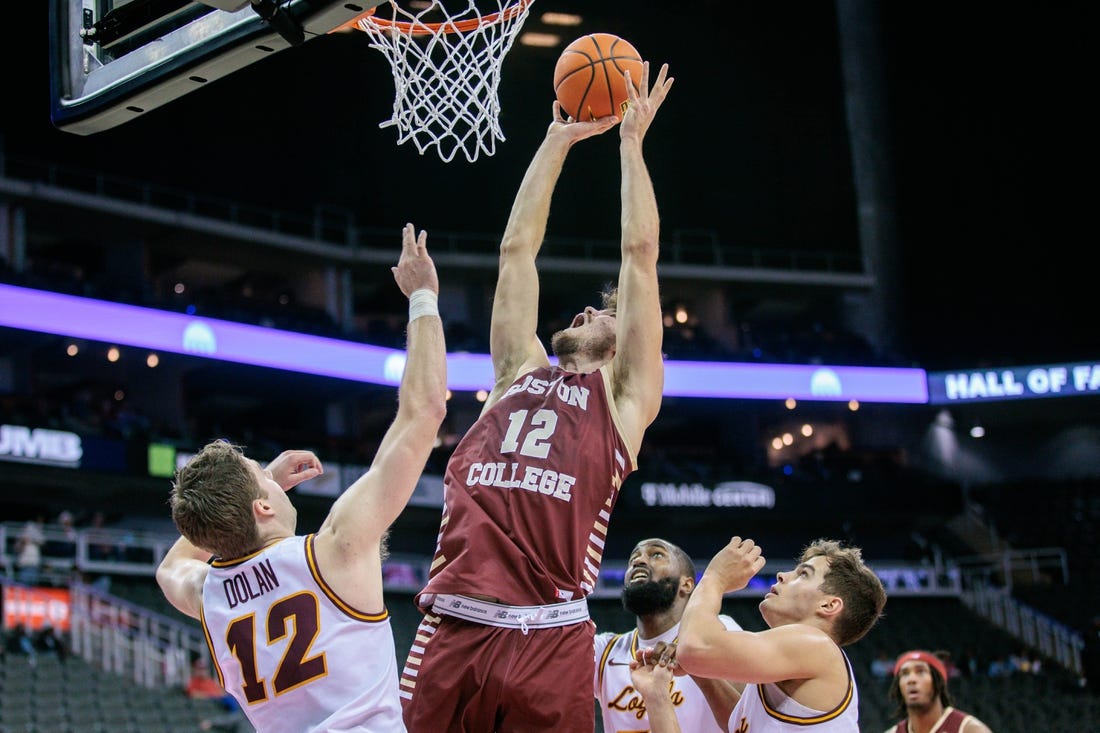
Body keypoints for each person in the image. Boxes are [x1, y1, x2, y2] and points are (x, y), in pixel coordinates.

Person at [399, 61, 674, 733]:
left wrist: (630, 147)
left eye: (604, 313)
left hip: (551, 635)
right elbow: (516, 250)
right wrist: (557, 140)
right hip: (455, 625)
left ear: (622, 340)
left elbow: (638, 255)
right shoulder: (515, 374)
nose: (587, 308)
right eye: (588, 307)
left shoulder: (624, 401)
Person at [156, 223, 446, 733]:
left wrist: (253, 485)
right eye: (262, 478)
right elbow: (424, 412)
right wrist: (423, 295)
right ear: (262, 507)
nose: (271, 477)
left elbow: (171, 565)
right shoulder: (332, 549)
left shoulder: (207, 594)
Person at [667, 536, 887, 732]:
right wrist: (700, 673)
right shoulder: (796, 657)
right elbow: (742, 724)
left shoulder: (814, 644)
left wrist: (715, 577)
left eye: (803, 574)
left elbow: (694, 649)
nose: (783, 575)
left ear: (829, 605)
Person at [595, 538, 744, 733]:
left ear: (686, 585)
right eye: (634, 557)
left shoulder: (717, 628)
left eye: (656, 554)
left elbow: (749, 721)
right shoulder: (605, 650)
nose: (638, 561)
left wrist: (697, 668)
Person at [884, 650, 993, 733]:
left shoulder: (968, 729)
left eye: (921, 671)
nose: (911, 680)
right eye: (905, 674)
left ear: (938, 682)